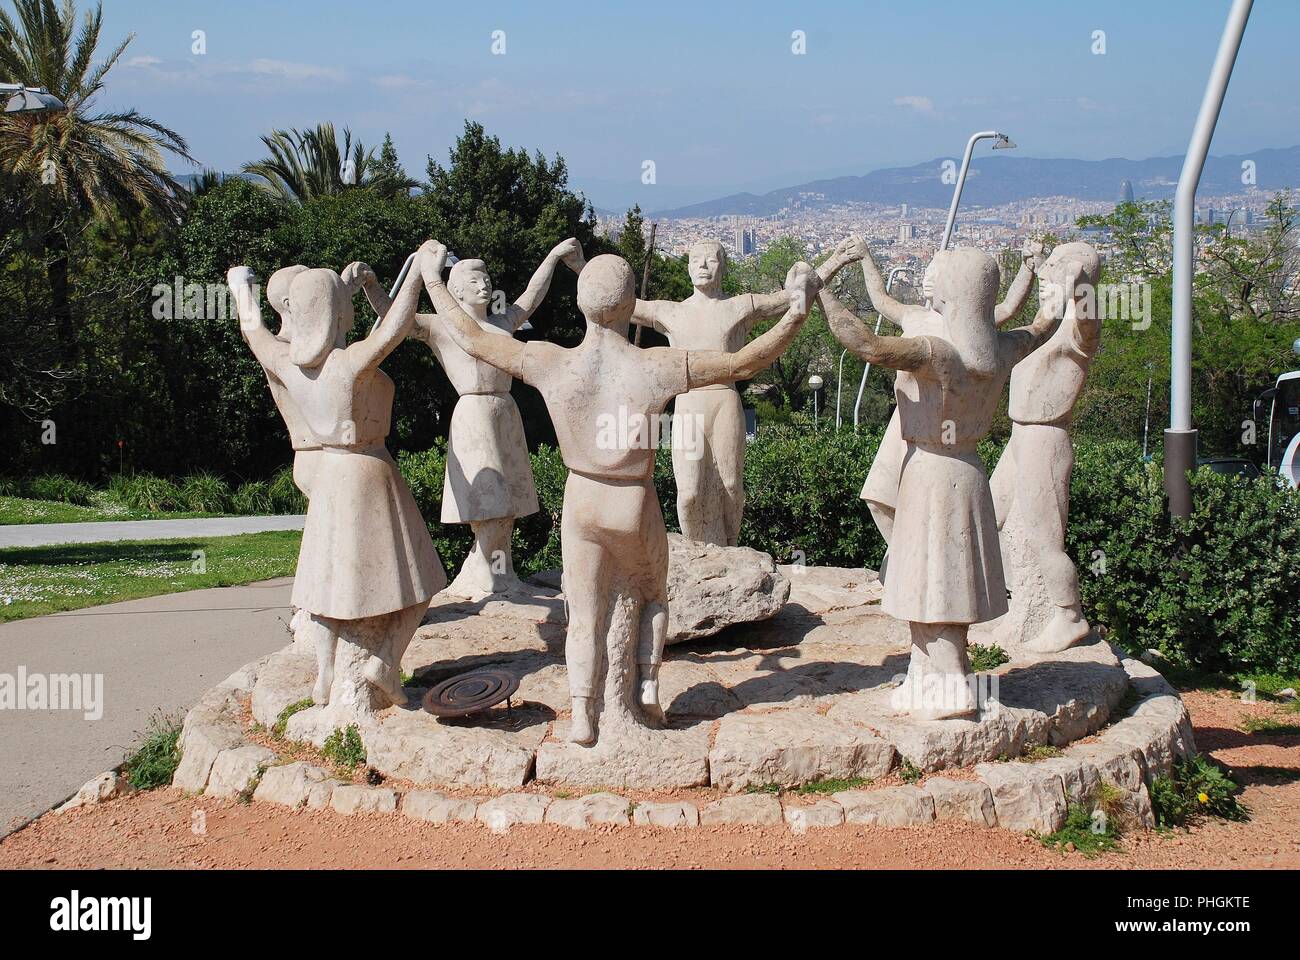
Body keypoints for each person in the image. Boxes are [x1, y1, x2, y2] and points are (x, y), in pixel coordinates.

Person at [421, 244, 820, 744]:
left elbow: (473, 337)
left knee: (584, 613)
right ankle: (648, 685)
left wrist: (433, 280)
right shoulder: (656, 366)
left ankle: (583, 712)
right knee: (652, 594)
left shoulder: (548, 361)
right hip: (632, 498)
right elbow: (743, 361)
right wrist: (796, 314)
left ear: (580, 304)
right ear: (632, 305)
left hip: (582, 498)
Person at [821, 245, 1074, 719]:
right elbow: (1042, 326)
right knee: (938, 581)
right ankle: (925, 674)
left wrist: (823, 297)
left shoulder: (936, 352)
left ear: (949, 295)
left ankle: (954, 683)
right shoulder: (1001, 348)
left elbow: (868, 346)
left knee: (935, 582)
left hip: (930, 472)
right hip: (967, 470)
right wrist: (1050, 289)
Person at [227, 244, 444, 713]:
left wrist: (241, 288)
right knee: (422, 582)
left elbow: (253, 332)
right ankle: (385, 660)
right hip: (368, 473)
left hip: (328, 477)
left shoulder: (287, 364)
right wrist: (420, 274)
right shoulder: (347, 365)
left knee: (326, 588)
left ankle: (326, 673)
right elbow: (394, 329)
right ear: (339, 315)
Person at [347, 239, 585, 596]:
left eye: (486, 278)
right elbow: (391, 315)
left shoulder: (503, 322)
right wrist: (371, 284)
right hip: (474, 416)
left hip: (505, 413)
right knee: (488, 500)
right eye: (474, 281)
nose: (484, 284)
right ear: (454, 290)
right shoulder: (440, 326)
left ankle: (494, 569)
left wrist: (551, 258)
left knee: (509, 501)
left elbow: (532, 295)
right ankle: (490, 572)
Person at [628, 237, 865, 546]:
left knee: (730, 485)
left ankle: (729, 548)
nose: (702, 265)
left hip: (725, 402)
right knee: (689, 494)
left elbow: (793, 296)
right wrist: (581, 269)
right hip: (688, 403)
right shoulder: (669, 312)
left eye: (711, 260)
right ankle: (695, 552)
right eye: (696, 259)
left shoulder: (739, 306)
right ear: (687, 268)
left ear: (722, 267)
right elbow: (615, 301)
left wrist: (835, 260)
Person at [859, 239, 1044, 569]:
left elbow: (1012, 307)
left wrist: (1028, 270)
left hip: (937, 431)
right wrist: (864, 259)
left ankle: (921, 563)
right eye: (929, 270)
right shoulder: (914, 316)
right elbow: (880, 300)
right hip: (905, 422)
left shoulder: (971, 329)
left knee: (931, 505)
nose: (929, 277)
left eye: (938, 272)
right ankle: (904, 558)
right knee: (879, 499)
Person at [989, 242, 1102, 653]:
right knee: (992, 515)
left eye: (1056, 268)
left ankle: (1068, 613)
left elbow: (1088, 321)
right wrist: (1034, 266)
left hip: (1045, 437)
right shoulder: (1048, 326)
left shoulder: (1078, 330)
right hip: (1020, 436)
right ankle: (1017, 604)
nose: (1047, 275)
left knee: (1044, 537)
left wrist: (1079, 286)